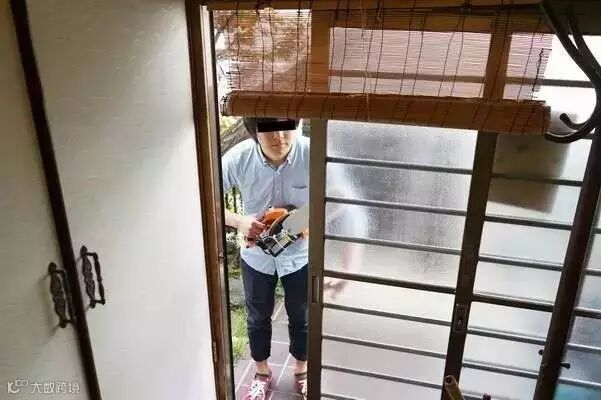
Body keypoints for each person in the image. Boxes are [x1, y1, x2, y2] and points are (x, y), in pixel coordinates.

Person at [222, 117, 364, 400]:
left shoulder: (313, 152)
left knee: (302, 317)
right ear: (253, 132)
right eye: (268, 129)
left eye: (286, 126)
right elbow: (205, 195)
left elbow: (342, 197)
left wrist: (305, 220)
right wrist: (239, 222)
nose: (279, 136)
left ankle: (301, 371)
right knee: (257, 317)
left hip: (300, 256)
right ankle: (262, 373)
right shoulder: (238, 158)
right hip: (256, 256)